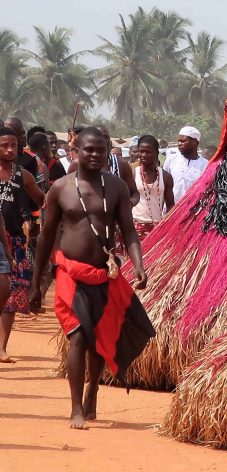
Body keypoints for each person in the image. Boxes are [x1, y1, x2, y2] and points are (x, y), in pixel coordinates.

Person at [29, 127, 155, 430]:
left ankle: (93, 388)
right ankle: (75, 408)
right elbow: (46, 238)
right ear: (76, 150)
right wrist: (36, 284)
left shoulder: (116, 188)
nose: (96, 155)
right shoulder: (60, 188)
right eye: (89, 150)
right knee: (79, 336)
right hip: (70, 273)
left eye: (101, 150)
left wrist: (138, 265)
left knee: (99, 337)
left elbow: (129, 231)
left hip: (104, 274)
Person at [0, 127, 45, 363]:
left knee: (12, 295)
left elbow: (43, 199)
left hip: (15, 242)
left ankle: (2, 348)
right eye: (4, 145)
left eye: (13, 146)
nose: (9, 149)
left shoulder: (23, 175)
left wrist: (40, 220)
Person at [132, 135, 174, 241]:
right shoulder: (133, 174)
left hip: (158, 226)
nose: (143, 155)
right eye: (141, 151)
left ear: (156, 153)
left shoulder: (165, 177)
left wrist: (170, 226)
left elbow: (170, 205)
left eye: (148, 152)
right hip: (136, 226)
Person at [163, 126, 208, 203]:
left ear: (194, 141)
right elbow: (163, 184)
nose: (179, 144)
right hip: (172, 209)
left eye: (183, 141)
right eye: (178, 141)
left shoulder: (205, 165)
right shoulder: (171, 160)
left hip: (194, 210)